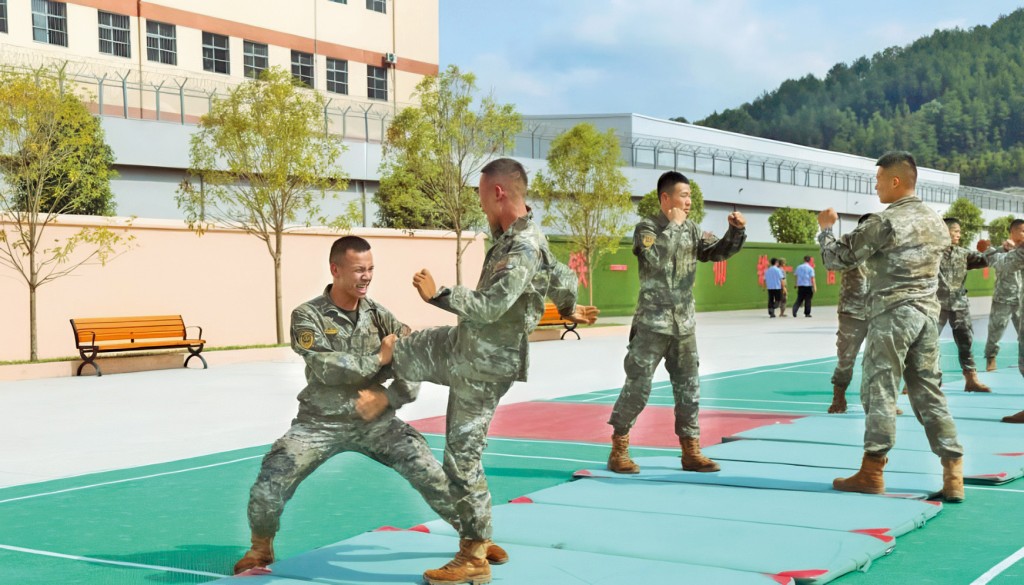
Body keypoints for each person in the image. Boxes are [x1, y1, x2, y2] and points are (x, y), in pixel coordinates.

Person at [390, 158, 597, 585]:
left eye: (482, 194)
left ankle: (473, 554)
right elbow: (562, 276)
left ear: (498, 192)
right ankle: (384, 398)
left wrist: (437, 293)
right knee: (408, 346)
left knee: (461, 458)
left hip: (485, 365)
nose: (480, 203)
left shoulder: (522, 247)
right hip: (467, 347)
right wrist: (570, 307)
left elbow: (490, 307)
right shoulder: (520, 237)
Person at [233, 236, 466, 575]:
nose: (366, 276)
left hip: (375, 421)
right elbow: (326, 368)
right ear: (336, 269)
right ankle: (260, 549)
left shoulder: (380, 315)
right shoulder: (308, 315)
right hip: (319, 422)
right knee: (270, 484)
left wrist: (390, 396)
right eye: (358, 269)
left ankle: (474, 541)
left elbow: (412, 359)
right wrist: (379, 358)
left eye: (370, 269)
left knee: (430, 473)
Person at [816, 151, 964, 503]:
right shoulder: (936, 222)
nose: (876, 186)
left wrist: (825, 230)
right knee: (928, 391)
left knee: (879, 389)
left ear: (896, 181)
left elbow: (838, 258)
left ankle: (872, 471)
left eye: (879, 179)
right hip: (927, 316)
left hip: (892, 314)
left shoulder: (885, 222)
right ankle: (953, 471)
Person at [607, 171, 747, 475]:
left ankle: (690, 450)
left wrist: (735, 232)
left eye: (690, 197)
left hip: (684, 325)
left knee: (689, 390)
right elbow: (654, 259)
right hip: (651, 325)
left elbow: (717, 252)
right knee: (637, 387)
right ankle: (619, 449)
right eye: (683, 196)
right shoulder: (647, 228)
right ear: (665, 198)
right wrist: (673, 227)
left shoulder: (692, 229)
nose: (688, 202)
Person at [937, 217, 993, 392]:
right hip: (936, 305)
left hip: (959, 304)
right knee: (927, 343)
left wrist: (993, 249)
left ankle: (971, 380)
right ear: (944, 231)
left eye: (959, 232)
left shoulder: (963, 253)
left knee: (965, 342)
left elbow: (986, 260)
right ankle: (923, 382)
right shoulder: (932, 253)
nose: (959, 235)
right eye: (955, 231)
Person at [824, 215, 871, 414]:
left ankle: (881, 402)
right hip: (852, 312)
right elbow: (831, 260)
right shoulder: (849, 246)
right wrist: (826, 230)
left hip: (880, 311)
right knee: (846, 359)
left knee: (881, 360)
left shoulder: (888, 248)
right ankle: (839, 397)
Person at [983, 219, 1024, 371]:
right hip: (1003, 297)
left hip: (1021, 299)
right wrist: (1004, 249)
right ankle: (991, 358)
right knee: (995, 331)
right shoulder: (1000, 250)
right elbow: (990, 259)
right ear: (1012, 232)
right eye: (1022, 231)